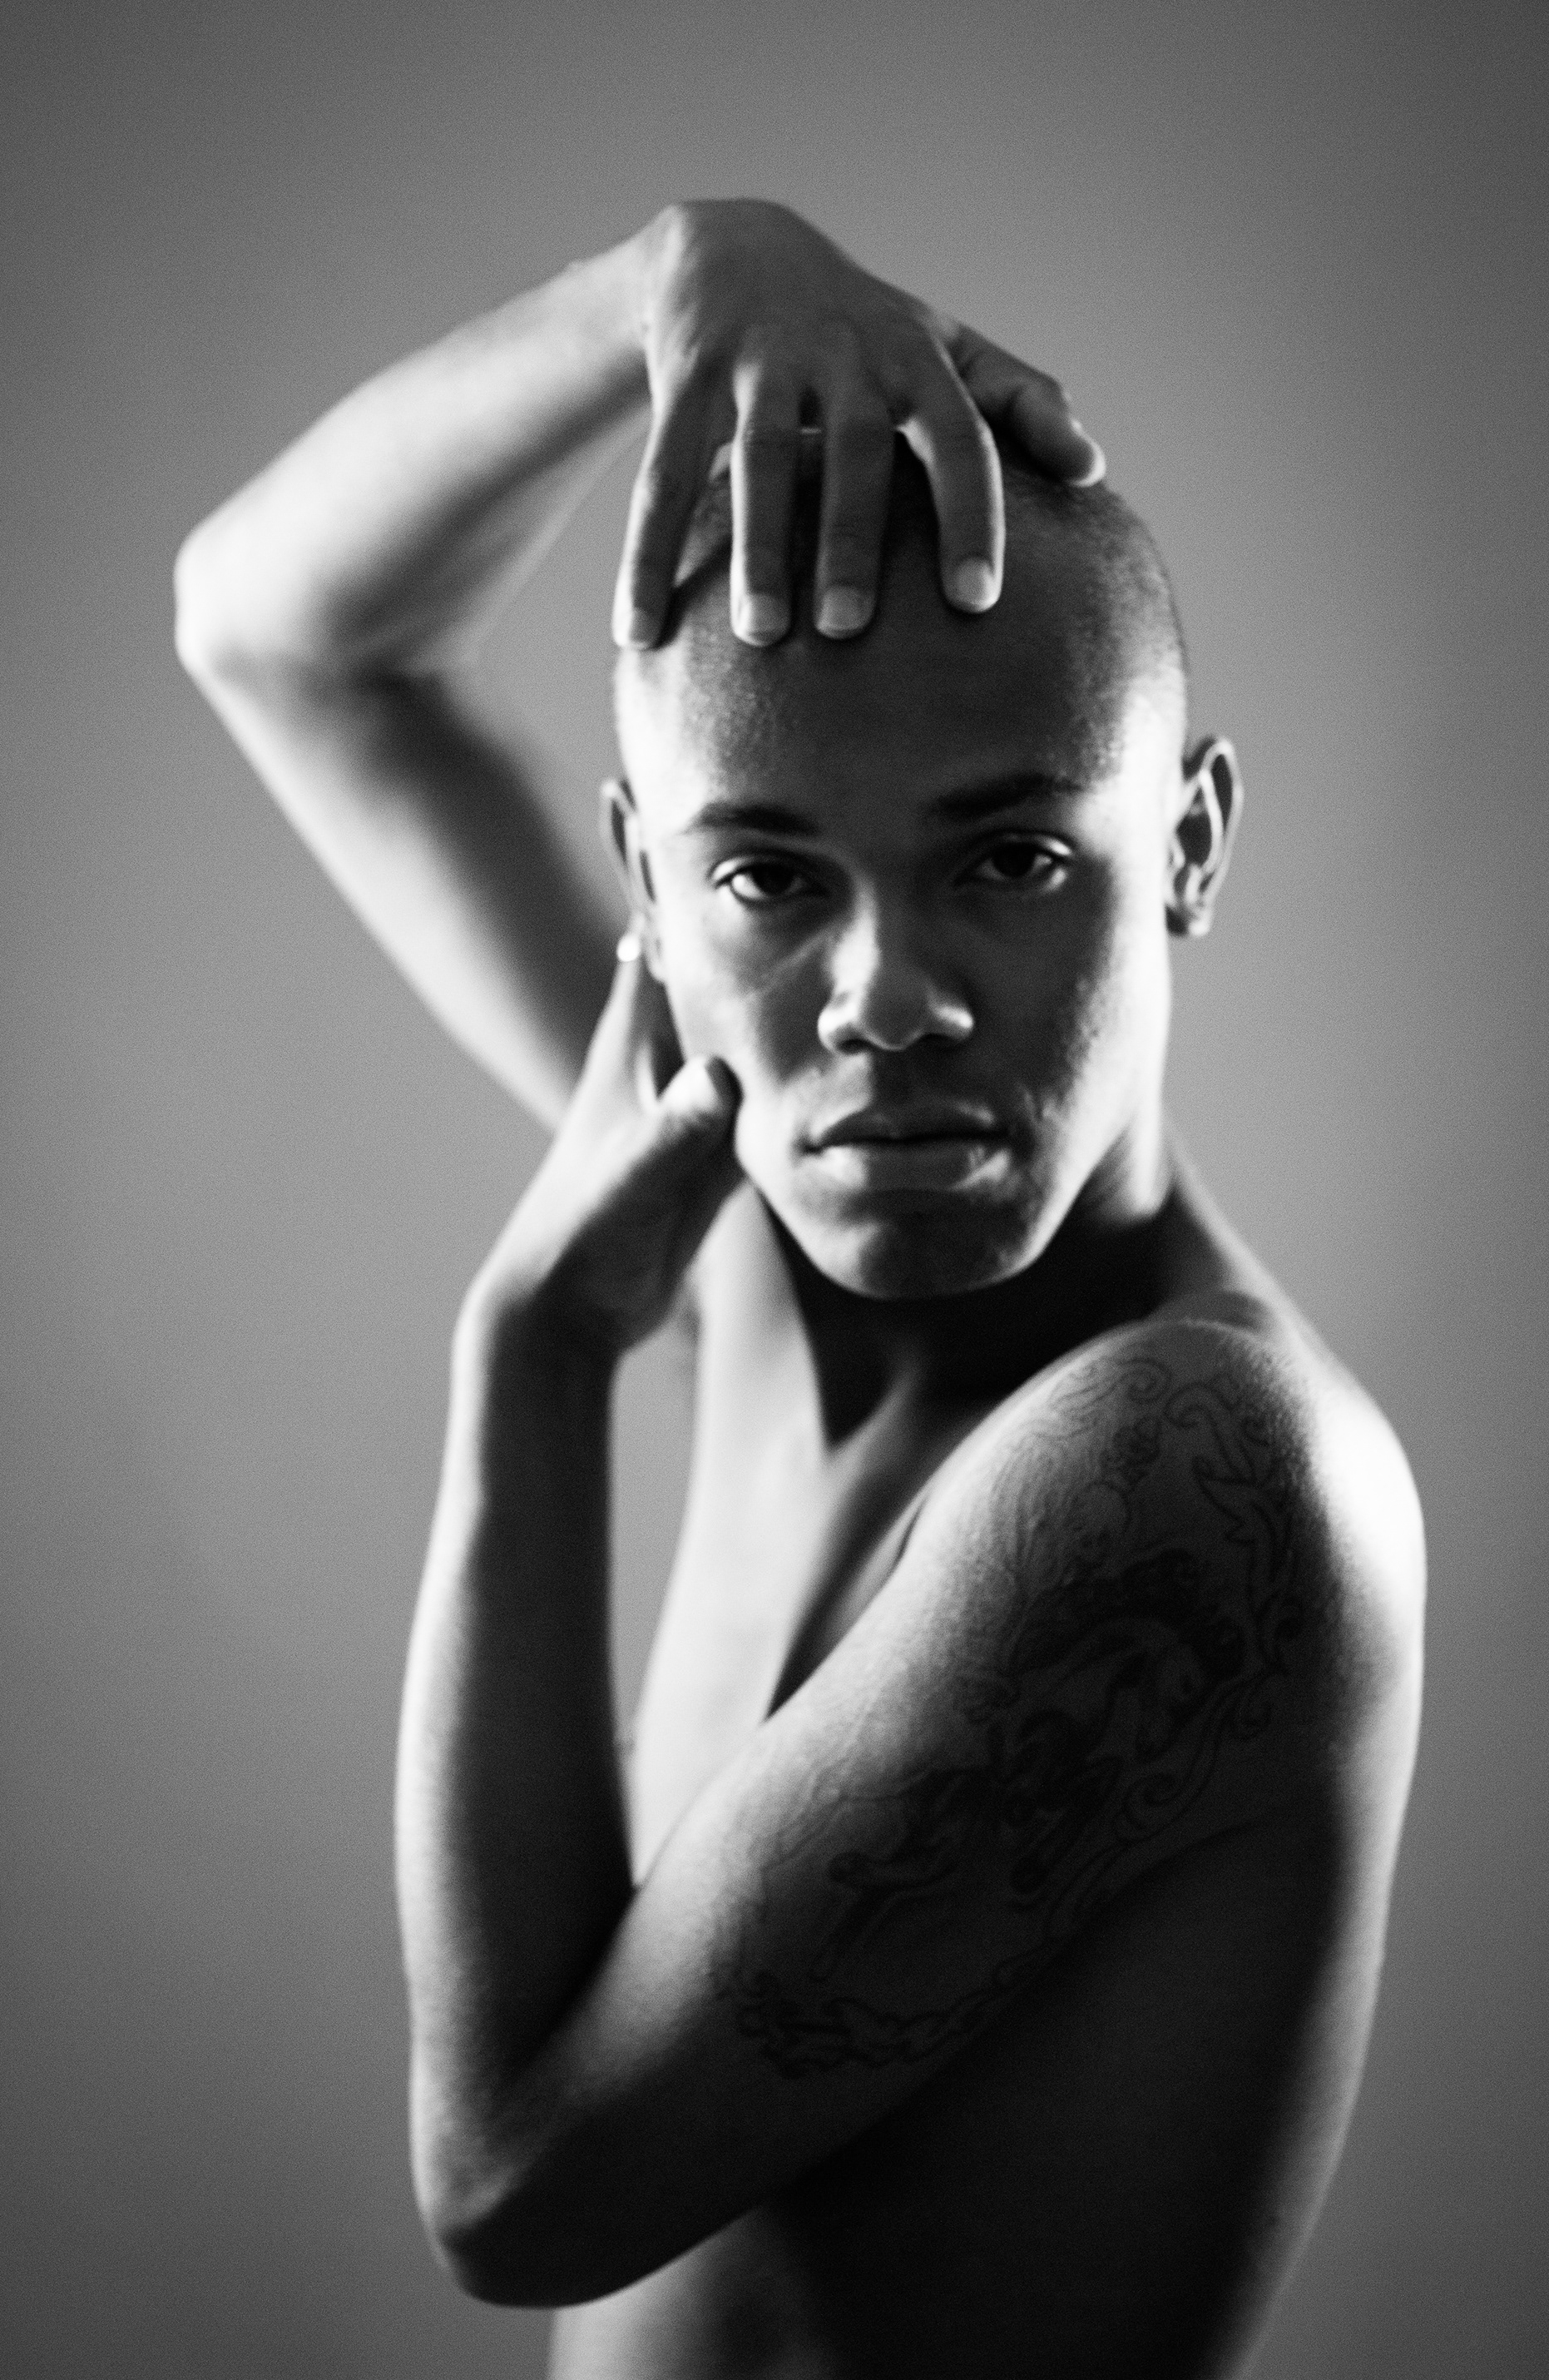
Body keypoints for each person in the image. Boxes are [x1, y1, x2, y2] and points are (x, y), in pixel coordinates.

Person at [175, 200, 1424, 2378]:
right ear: (653, 895)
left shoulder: (1188, 1469)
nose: (884, 1003)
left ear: (1190, 846)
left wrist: (537, 1354)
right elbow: (273, 631)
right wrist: (655, 289)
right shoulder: (764, 1231)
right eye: (768, 873)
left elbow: (512, 2187)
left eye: (1010, 859)